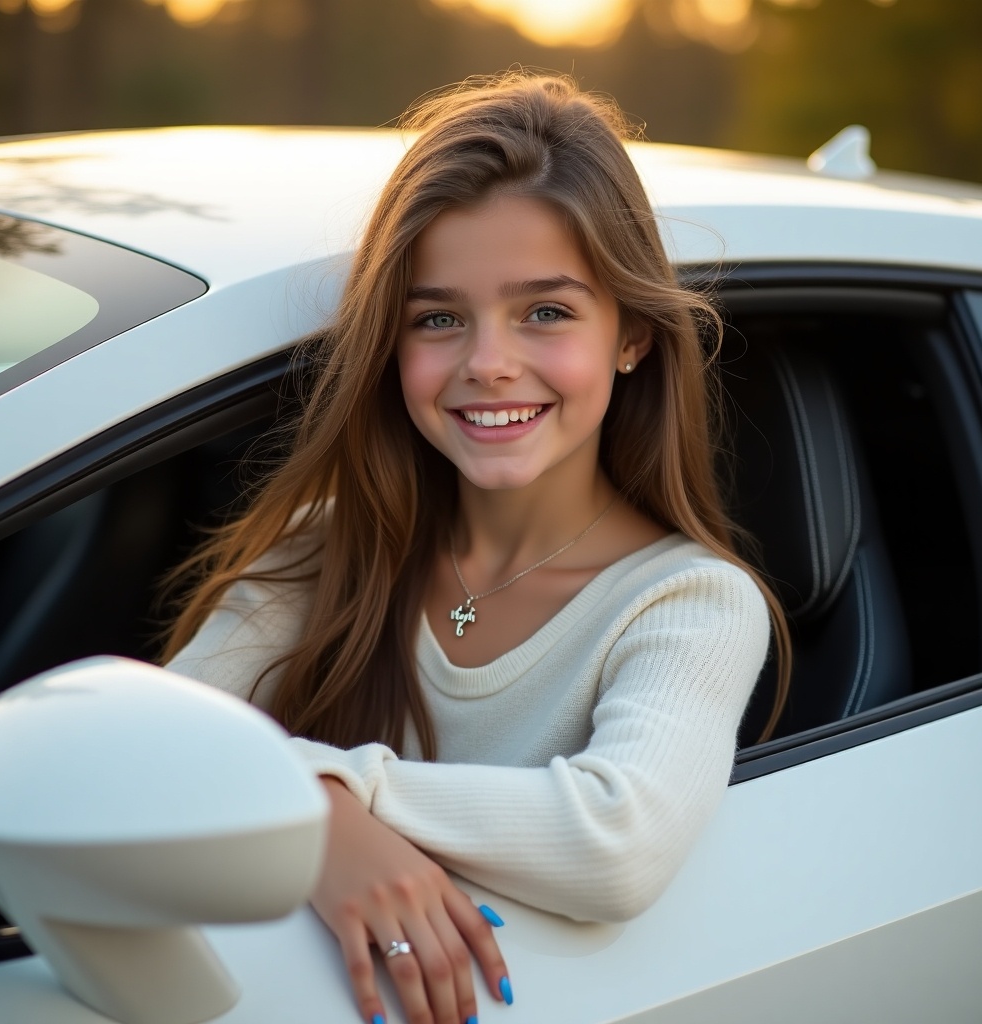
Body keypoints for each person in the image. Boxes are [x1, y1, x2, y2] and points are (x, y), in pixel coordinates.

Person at [163, 71, 790, 1024]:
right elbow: (155, 753)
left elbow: (614, 845)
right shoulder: (328, 545)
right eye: (439, 318)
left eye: (546, 311)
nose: (486, 361)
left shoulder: (690, 603)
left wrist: (331, 797)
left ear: (629, 337)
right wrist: (323, 830)